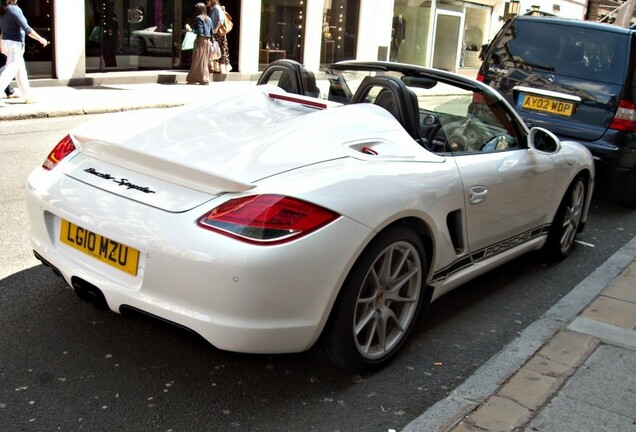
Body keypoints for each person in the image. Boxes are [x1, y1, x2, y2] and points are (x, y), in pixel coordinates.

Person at [0, 0, 48, 107]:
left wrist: (1, 44)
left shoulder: (3, 10)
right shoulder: (15, 9)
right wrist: (41, 39)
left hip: (7, 43)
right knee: (10, 70)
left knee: (20, 71)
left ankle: (28, 97)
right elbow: (27, 28)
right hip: (15, 45)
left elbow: (2, 30)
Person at [186, 3, 212, 85]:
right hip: (208, 41)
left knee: (196, 60)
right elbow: (211, 32)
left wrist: (190, 29)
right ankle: (204, 78)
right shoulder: (209, 18)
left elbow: (200, 32)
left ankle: (195, 78)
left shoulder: (198, 18)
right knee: (204, 60)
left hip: (200, 40)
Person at [210, 0, 231, 74]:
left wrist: (216, 28)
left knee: (218, 49)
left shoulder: (216, 8)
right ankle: (219, 68)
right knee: (219, 49)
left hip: (218, 33)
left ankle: (220, 68)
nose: (207, 3)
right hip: (218, 33)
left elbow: (221, 20)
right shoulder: (214, 8)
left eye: (208, 1)